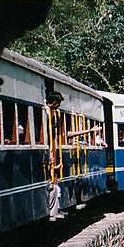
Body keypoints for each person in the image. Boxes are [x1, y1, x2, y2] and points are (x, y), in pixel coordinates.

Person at [45, 91, 101, 221]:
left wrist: (89, 131)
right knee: (53, 183)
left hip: (53, 153)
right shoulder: (47, 113)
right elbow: (66, 135)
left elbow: (66, 134)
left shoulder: (54, 115)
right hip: (50, 153)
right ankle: (54, 210)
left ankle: (56, 209)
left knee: (55, 182)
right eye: (58, 103)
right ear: (54, 102)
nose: (58, 106)